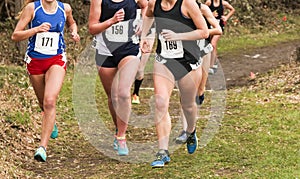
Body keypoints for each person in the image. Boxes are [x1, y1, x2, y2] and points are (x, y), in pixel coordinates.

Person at [140, 0, 209, 167]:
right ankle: (162, 152)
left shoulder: (188, 4)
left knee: (188, 105)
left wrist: (179, 36)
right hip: (164, 61)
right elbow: (148, 16)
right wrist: (145, 36)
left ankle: (191, 131)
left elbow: (204, 32)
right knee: (160, 101)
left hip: (188, 62)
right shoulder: (154, 4)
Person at [11, 0, 80, 162]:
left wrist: (74, 32)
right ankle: (51, 121)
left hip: (56, 59)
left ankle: (42, 147)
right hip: (35, 61)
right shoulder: (32, 8)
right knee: (43, 103)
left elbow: (72, 23)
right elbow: (15, 35)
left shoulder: (65, 8)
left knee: (50, 101)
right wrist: (35, 29)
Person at [88, 0, 147, 156]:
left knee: (122, 92)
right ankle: (118, 128)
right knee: (113, 96)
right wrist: (111, 21)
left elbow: (148, 6)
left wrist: (143, 23)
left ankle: (121, 136)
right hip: (105, 51)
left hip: (129, 48)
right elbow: (92, 28)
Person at [175, 0, 222, 144]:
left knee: (199, 90)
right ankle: (186, 130)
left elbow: (218, 30)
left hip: (203, 51)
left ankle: (192, 120)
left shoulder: (204, 9)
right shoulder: (179, 9)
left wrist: (199, 32)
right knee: (185, 93)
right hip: (185, 53)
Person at [205, 0, 234, 74]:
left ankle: (211, 66)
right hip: (210, 26)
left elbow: (232, 9)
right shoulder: (209, 2)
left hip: (219, 26)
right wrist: (210, 14)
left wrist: (226, 17)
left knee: (213, 44)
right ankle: (214, 62)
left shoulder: (223, 3)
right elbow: (201, 12)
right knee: (210, 45)